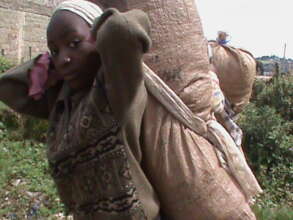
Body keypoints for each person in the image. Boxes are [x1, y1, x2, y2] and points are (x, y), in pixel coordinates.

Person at [0, 0, 262, 219]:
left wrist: (97, 31)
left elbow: (123, 29)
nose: (64, 58)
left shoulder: (116, 92)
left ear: (100, 42)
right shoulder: (61, 103)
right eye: (54, 51)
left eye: (74, 43)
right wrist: (48, 64)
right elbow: (8, 87)